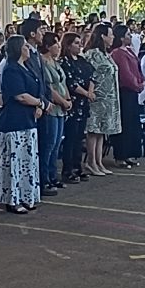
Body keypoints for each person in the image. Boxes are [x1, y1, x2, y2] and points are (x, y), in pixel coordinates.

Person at [0, 35, 43, 214]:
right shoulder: (11, 69)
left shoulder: (28, 67)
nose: (28, 49)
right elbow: (20, 95)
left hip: (28, 120)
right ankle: (12, 199)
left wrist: (40, 104)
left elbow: (37, 88)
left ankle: (26, 195)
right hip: (14, 122)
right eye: (24, 46)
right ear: (17, 49)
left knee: (27, 161)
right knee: (15, 162)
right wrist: (38, 102)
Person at [83, 24, 120, 177]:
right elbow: (91, 75)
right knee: (94, 131)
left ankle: (98, 162)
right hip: (97, 99)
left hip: (108, 99)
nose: (113, 38)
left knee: (101, 132)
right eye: (110, 34)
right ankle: (91, 162)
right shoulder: (93, 54)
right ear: (103, 36)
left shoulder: (105, 54)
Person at [59, 33, 93, 184]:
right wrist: (86, 93)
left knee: (79, 138)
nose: (80, 46)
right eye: (76, 43)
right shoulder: (64, 62)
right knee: (71, 138)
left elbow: (92, 75)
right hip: (72, 104)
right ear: (68, 45)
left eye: (80, 43)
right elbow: (71, 83)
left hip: (83, 104)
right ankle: (68, 169)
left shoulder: (81, 60)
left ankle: (78, 167)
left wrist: (90, 92)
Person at [39, 32, 71, 192]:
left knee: (57, 144)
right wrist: (63, 101)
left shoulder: (56, 62)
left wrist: (68, 99)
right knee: (48, 145)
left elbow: (62, 82)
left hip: (61, 109)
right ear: (47, 46)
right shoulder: (43, 63)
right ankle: (44, 178)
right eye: (55, 45)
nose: (58, 48)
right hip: (52, 107)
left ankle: (53, 176)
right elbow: (49, 89)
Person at [109, 24, 143, 168]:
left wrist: (141, 82)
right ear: (121, 37)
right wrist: (136, 84)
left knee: (132, 124)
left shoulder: (129, 51)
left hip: (133, 92)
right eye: (128, 35)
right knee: (125, 123)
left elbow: (137, 69)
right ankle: (121, 155)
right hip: (125, 92)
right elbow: (125, 74)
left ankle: (130, 153)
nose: (130, 37)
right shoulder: (117, 53)